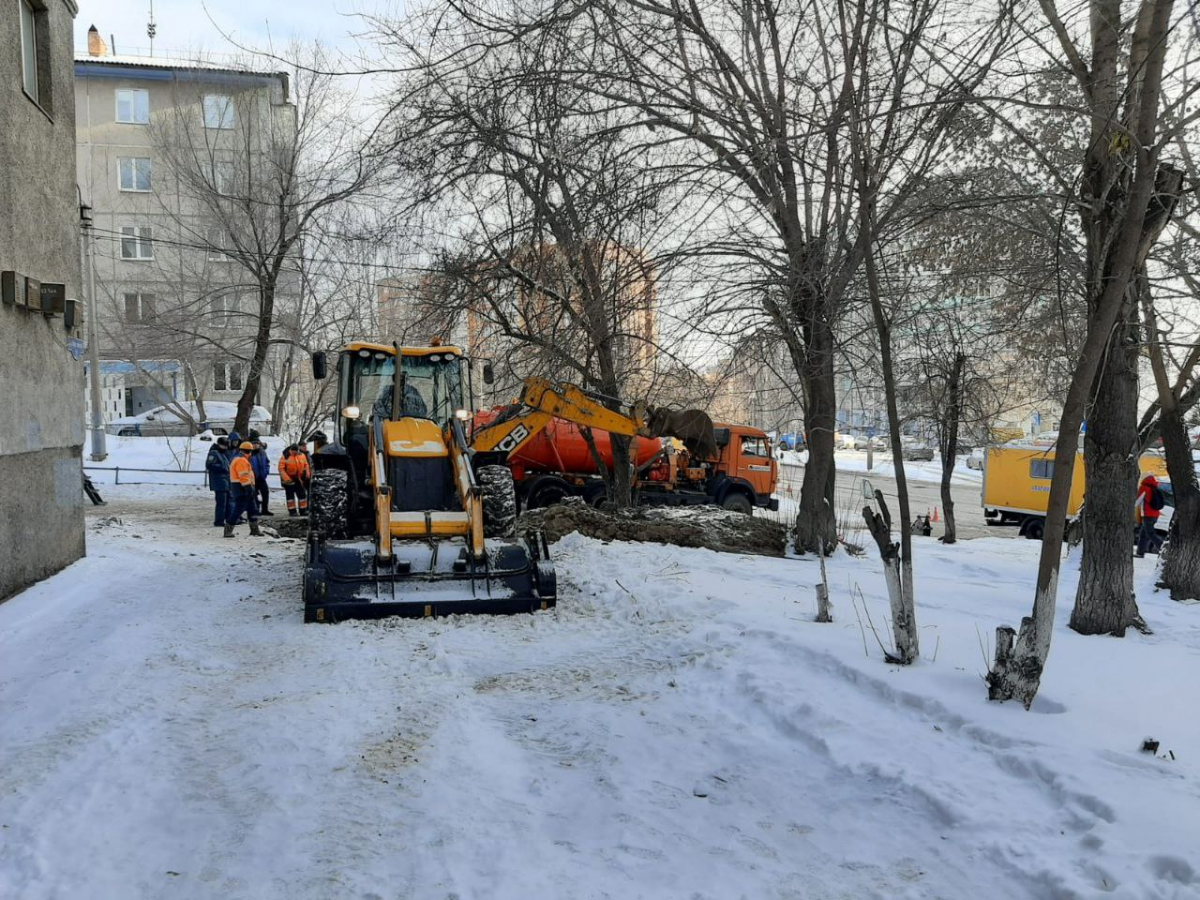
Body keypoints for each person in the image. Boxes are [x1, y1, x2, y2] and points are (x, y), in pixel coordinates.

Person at [226, 441, 262, 537]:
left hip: (241, 487)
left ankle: (254, 530)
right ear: (249, 451)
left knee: (252, 509)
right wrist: (249, 488)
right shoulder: (242, 461)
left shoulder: (238, 459)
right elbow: (244, 476)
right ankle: (228, 530)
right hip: (242, 487)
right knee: (239, 509)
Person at [1135, 474, 1164, 558]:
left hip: (1147, 515)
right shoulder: (1155, 489)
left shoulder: (1144, 488)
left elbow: (1137, 502)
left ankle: (1164, 549)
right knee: (1143, 534)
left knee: (1150, 534)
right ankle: (1140, 553)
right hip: (1155, 515)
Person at [205, 436, 232, 526]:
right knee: (221, 502)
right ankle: (219, 521)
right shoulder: (214, 453)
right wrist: (223, 468)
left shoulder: (223, 454)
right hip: (219, 481)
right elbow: (209, 465)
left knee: (228, 501)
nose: (226, 448)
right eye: (224, 446)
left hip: (226, 481)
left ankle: (228, 519)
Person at [278, 445, 310, 516]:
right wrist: (287, 479)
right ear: (291, 450)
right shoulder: (285, 457)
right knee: (290, 497)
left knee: (302, 495)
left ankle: (303, 510)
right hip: (289, 479)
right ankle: (292, 511)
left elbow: (306, 465)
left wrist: (307, 473)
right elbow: (281, 469)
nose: (295, 452)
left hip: (299, 478)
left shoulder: (302, 455)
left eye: (296, 451)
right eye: (294, 451)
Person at [248, 430, 273, 516]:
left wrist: (266, 471)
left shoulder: (262, 452)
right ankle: (255, 510)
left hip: (262, 476)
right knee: (254, 495)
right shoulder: (249, 453)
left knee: (265, 493)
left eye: (257, 444)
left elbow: (267, 463)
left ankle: (265, 509)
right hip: (252, 477)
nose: (255, 445)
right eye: (254, 444)